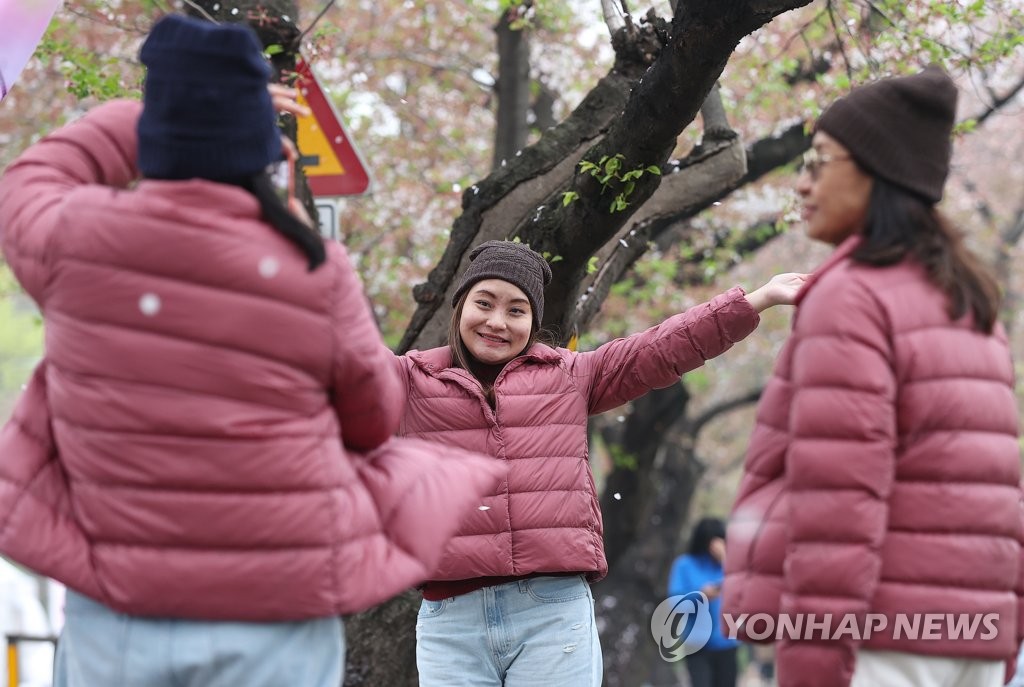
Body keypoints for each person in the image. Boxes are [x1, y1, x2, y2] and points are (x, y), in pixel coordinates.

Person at [0, 14, 501, 687]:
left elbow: (29, 181)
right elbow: (375, 417)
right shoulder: (313, 269)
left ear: (156, 135)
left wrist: (155, 113)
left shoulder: (78, 240)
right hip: (278, 610)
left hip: (123, 606)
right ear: (258, 146)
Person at [721, 66, 1023, 687]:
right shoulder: (970, 301)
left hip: (881, 635)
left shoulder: (851, 296)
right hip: (973, 637)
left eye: (820, 162)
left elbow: (836, 507)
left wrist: (810, 663)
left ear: (877, 171)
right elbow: (1000, 492)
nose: (802, 185)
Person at [392, 238, 805, 686]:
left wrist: (757, 299)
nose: (497, 322)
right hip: (451, 618)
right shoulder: (409, 381)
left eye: (516, 310)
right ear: (459, 308)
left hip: (552, 612)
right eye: (484, 303)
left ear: (533, 322)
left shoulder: (571, 376)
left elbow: (665, 347)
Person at [668, 517, 739, 687]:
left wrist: (725, 560)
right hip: (697, 644)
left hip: (726, 643)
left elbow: (741, 590)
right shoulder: (684, 565)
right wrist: (700, 596)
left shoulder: (730, 565)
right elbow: (676, 605)